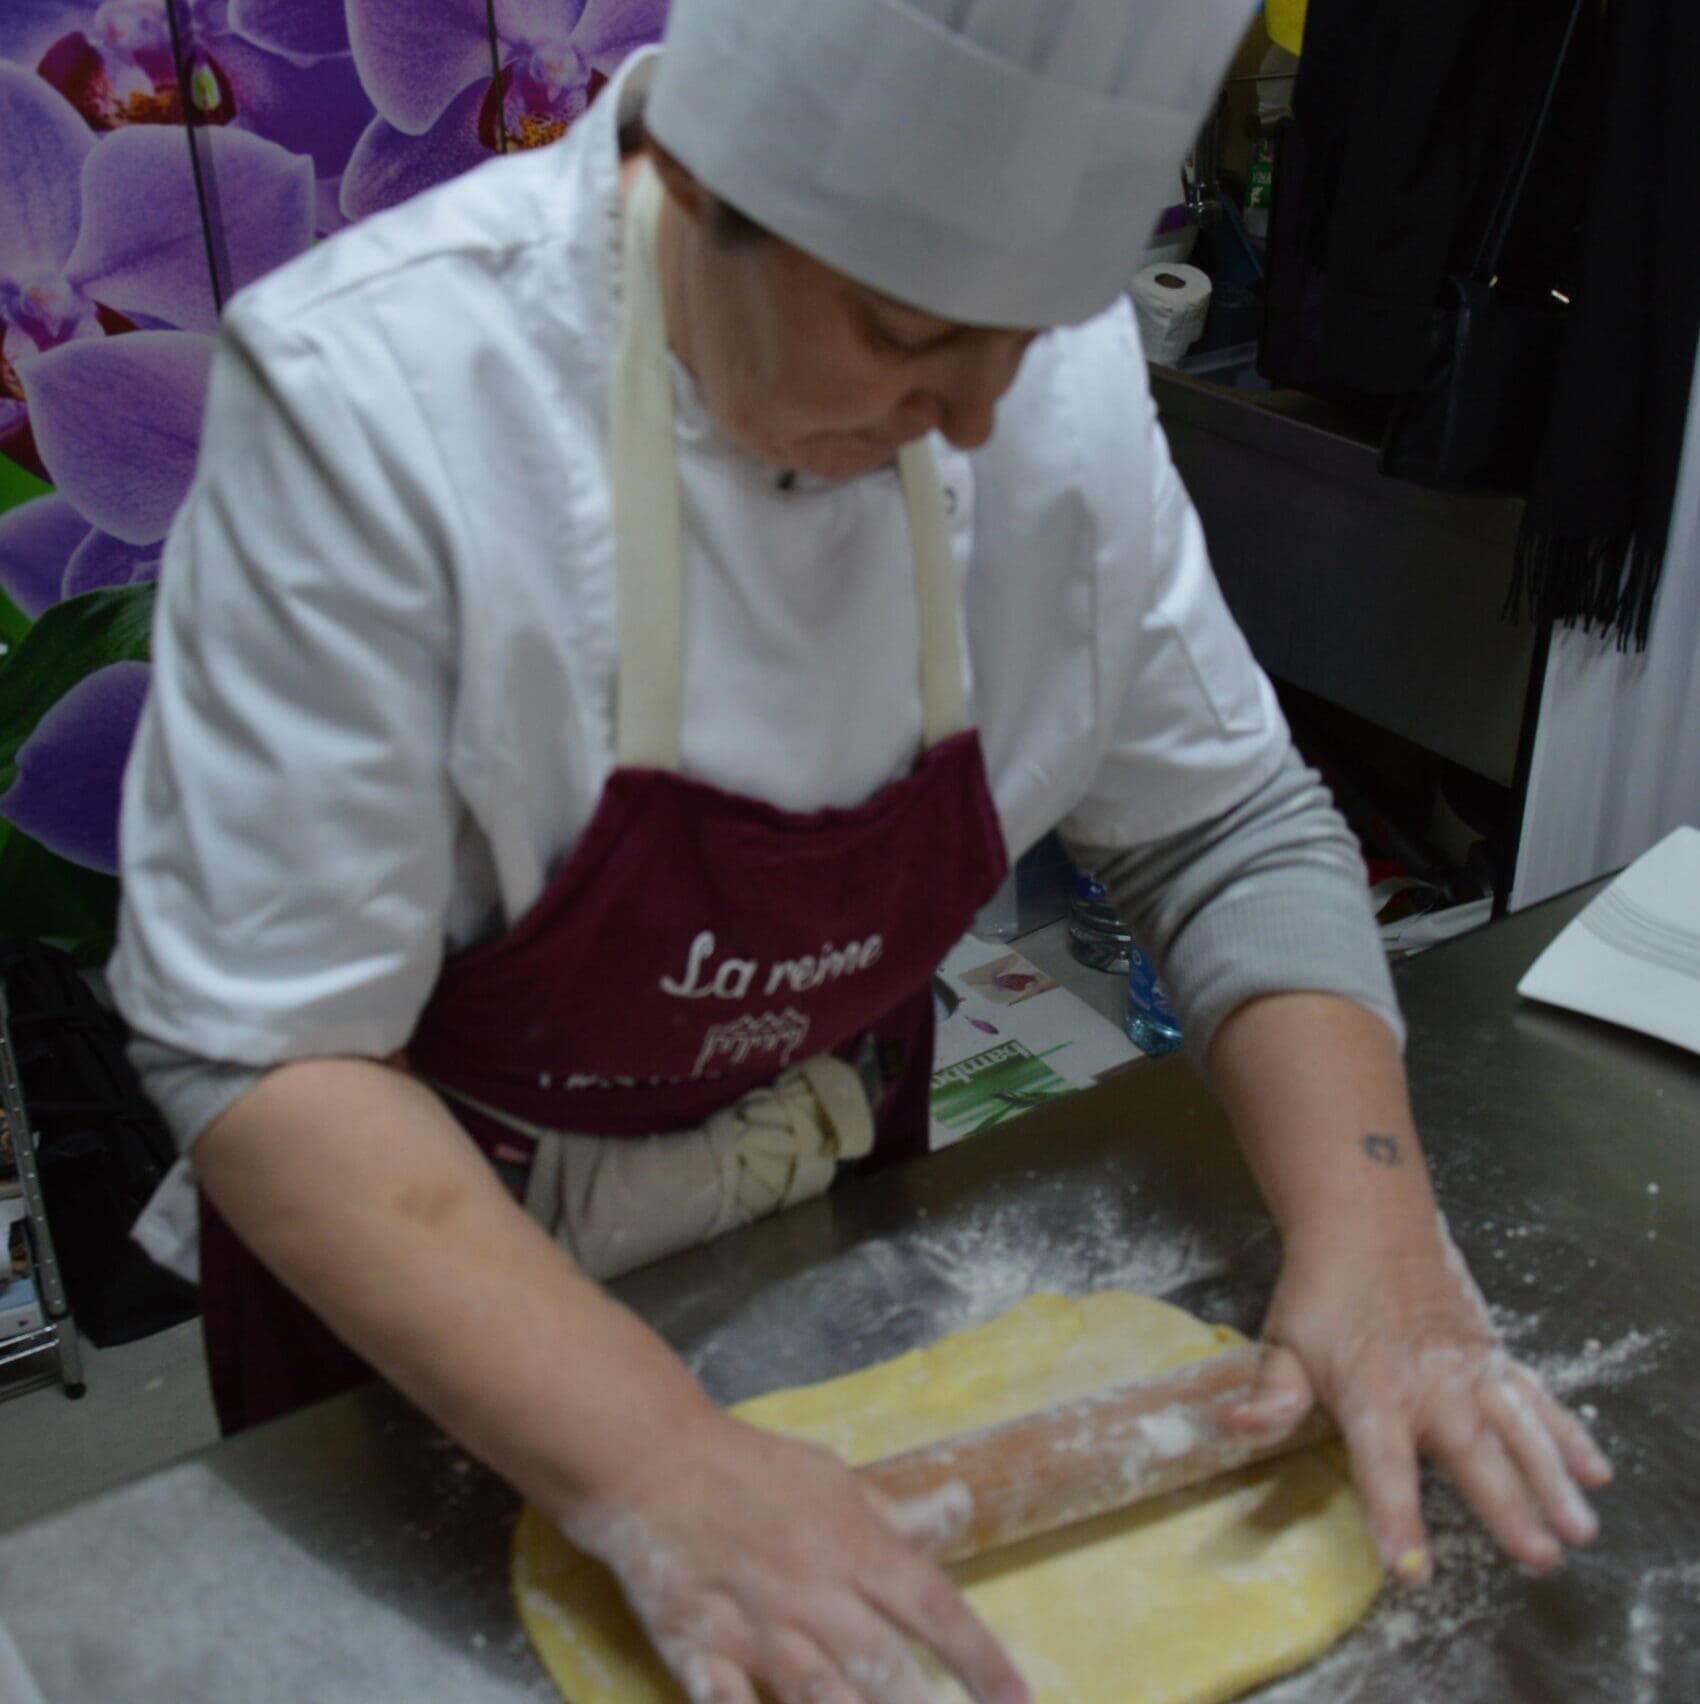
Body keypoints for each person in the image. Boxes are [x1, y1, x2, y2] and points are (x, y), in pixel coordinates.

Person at [111, 3, 1611, 1701]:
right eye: (907, 330)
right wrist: (658, 1468)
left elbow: (1225, 823)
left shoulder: (1047, 381)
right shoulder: (376, 408)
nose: (975, 418)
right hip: (425, 1299)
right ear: (689, 177)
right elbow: (270, 1053)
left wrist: (1376, 1246)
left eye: (1027, 335)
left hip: (830, 1225)